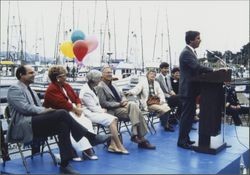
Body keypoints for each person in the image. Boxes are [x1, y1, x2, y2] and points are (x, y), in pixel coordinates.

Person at [6, 65, 110, 174]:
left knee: (63, 125)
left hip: (35, 122)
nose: (34, 74)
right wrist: (45, 110)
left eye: (34, 72)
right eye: (31, 73)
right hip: (23, 124)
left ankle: (65, 165)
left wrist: (45, 110)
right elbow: (25, 108)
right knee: (62, 113)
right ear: (21, 75)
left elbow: (74, 98)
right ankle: (90, 137)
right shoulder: (14, 89)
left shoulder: (30, 89)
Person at [43, 65, 100, 160]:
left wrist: (78, 106)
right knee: (77, 123)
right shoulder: (51, 89)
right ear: (58, 78)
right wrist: (76, 110)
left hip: (72, 110)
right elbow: (62, 104)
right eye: (64, 75)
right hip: (59, 114)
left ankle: (87, 147)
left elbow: (76, 97)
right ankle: (84, 150)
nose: (66, 77)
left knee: (87, 121)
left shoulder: (66, 86)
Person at [96, 66, 156, 150]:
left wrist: (124, 100)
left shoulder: (113, 84)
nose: (110, 74)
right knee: (137, 111)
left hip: (123, 106)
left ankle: (135, 134)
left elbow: (122, 95)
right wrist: (119, 104)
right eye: (107, 72)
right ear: (102, 75)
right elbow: (103, 103)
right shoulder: (100, 86)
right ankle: (141, 138)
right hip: (112, 110)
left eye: (110, 72)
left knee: (132, 104)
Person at [177, 31, 213, 150]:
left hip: (191, 90)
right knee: (186, 116)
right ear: (191, 40)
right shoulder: (186, 53)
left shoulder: (191, 52)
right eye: (198, 38)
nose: (200, 40)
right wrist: (212, 70)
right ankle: (181, 141)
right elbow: (196, 67)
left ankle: (185, 138)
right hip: (187, 90)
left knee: (190, 115)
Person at [79, 70, 129, 154]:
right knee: (113, 119)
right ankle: (118, 145)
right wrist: (103, 110)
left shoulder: (91, 87)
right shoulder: (86, 91)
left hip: (95, 111)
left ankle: (113, 145)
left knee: (114, 119)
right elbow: (93, 108)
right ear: (94, 80)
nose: (100, 79)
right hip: (89, 114)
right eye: (99, 78)